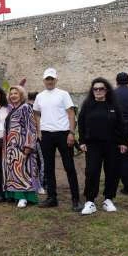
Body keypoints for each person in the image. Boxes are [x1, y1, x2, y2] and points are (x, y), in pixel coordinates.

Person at [77, 78, 127, 215]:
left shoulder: (114, 105)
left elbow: (121, 125)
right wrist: (82, 141)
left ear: (107, 90)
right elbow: (81, 124)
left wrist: (123, 142)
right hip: (93, 145)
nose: (98, 91)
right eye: (95, 89)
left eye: (101, 89)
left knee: (112, 172)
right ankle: (90, 201)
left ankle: (108, 199)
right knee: (92, 172)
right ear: (92, 91)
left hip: (112, 145)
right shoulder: (87, 105)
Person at [33, 68, 81, 211]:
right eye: (47, 79)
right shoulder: (40, 96)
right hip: (46, 135)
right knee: (48, 167)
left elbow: (71, 113)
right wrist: (39, 131)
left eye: (52, 79)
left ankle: (76, 199)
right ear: (44, 80)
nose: (49, 81)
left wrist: (71, 132)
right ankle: (52, 198)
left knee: (69, 166)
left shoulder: (63, 94)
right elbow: (36, 113)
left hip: (63, 133)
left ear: (56, 80)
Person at [3, 86, 39, 208]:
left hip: (22, 145)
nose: (13, 95)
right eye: (11, 94)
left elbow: (31, 127)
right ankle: (16, 195)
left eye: (16, 93)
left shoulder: (26, 108)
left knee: (23, 171)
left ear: (21, 95)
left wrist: (28, 145)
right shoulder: (12, 109)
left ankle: (24, 197)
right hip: (11, 147)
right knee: (15, 172)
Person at [27, 91, 46, 195]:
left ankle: (34, 184)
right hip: (37, 138)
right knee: (41, 162)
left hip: (27, 139)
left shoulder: (24, 107)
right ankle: (41, 185)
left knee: (31, 162)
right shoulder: (36, 109)